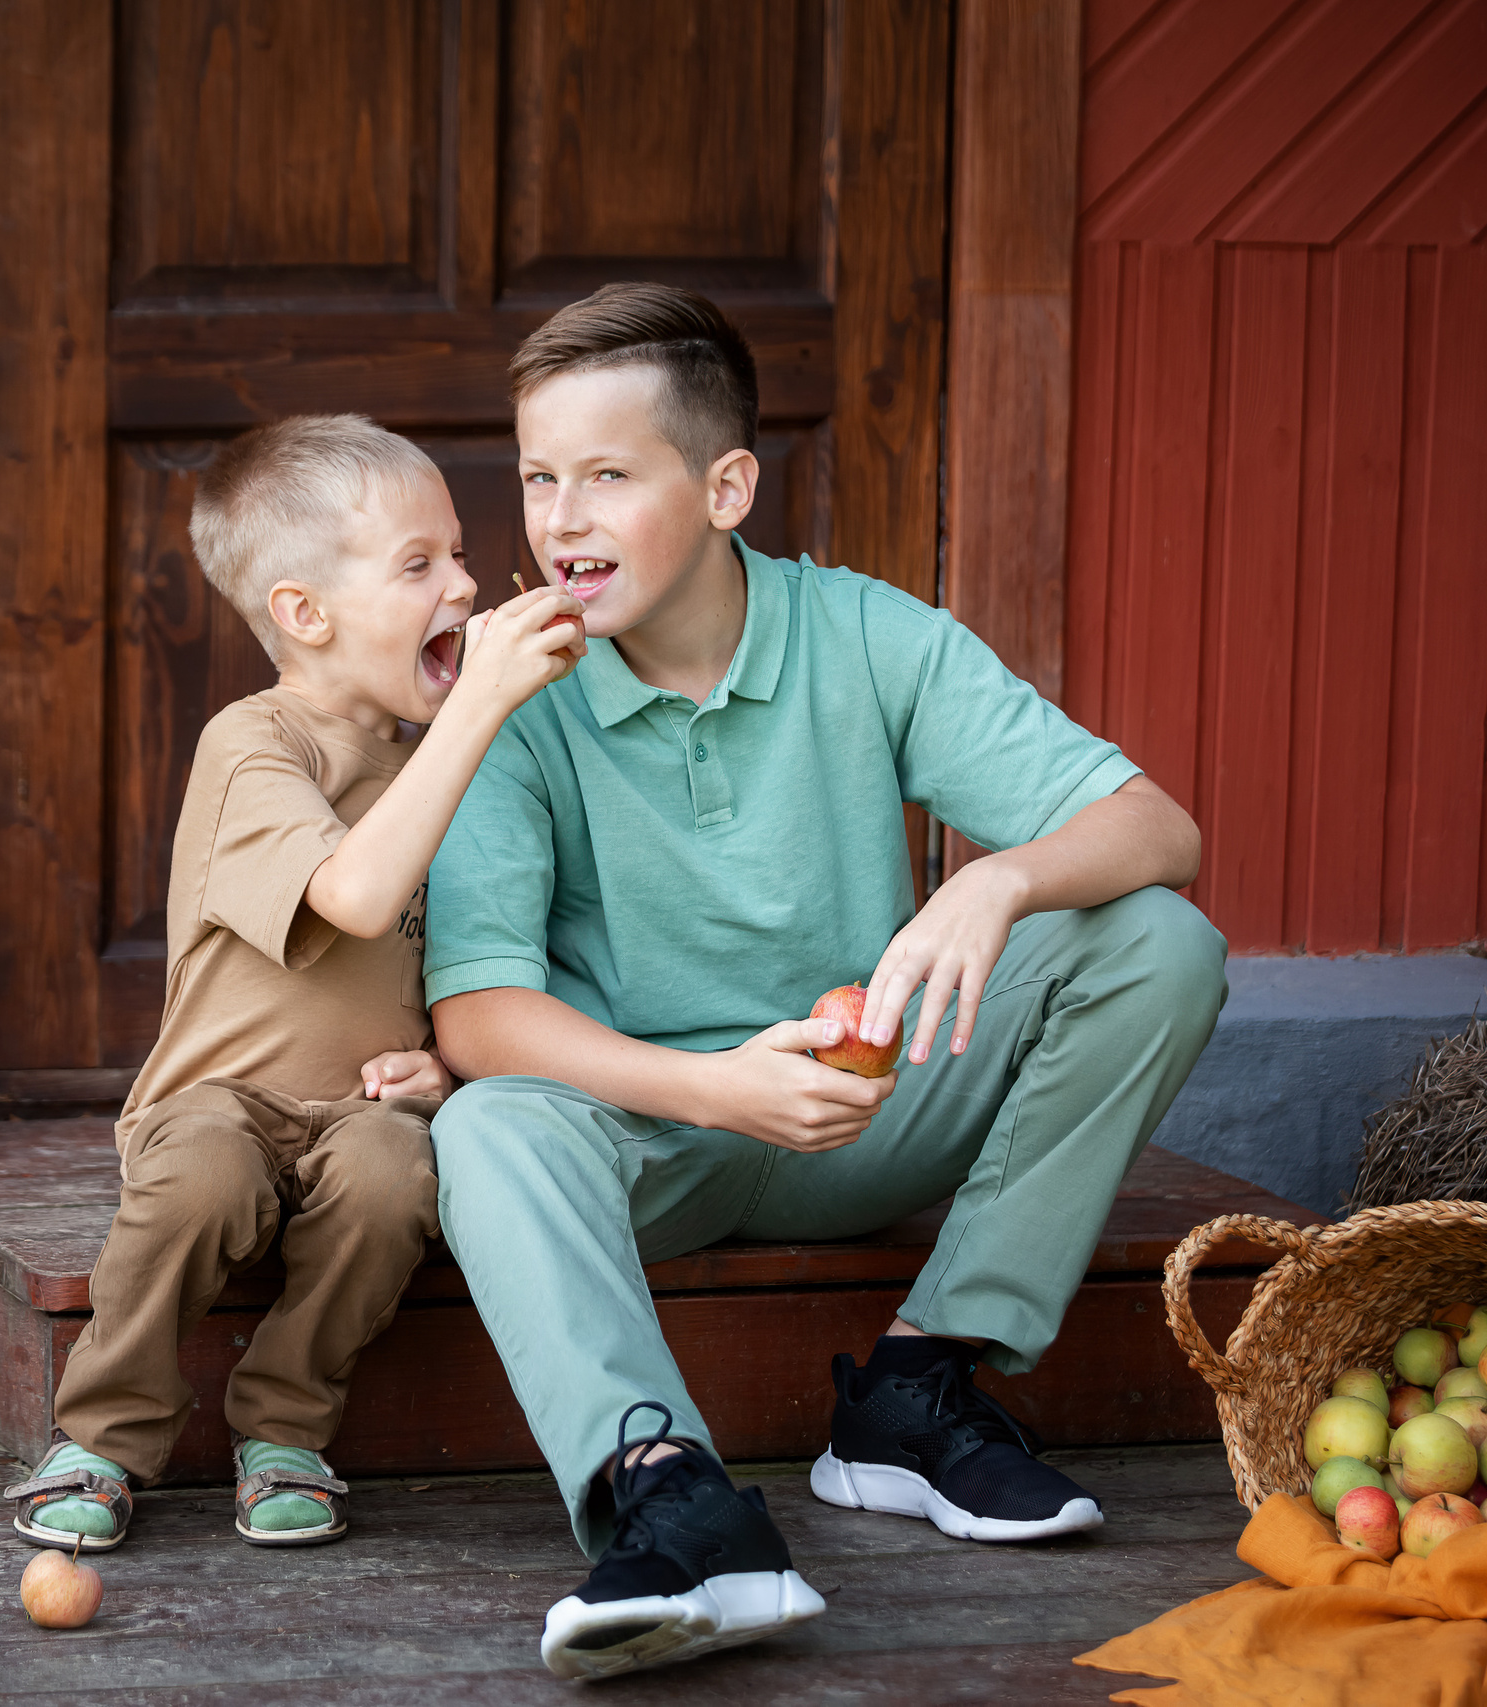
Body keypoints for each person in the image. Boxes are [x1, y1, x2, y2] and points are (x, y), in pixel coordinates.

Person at [421, 284, 1228, 1679]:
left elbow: (1159, 828)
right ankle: (670, 1495)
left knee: (1159, 938)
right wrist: (712, 1088)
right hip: (650, 1138)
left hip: (866, 1108)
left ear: (726, 487)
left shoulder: (865, 634)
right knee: (485, 1121)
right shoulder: (515, 691)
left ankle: (919, 1383)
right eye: (540, 478)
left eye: (608, 475)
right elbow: (476, 1015)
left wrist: (997, 880)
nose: (560, 520)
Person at [4, 414, 585, 1552]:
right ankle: (104, 1434)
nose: (466, 584)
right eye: (418, 565)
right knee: (204, 1178)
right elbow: (356, 897)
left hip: (359, 1111)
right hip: (215, 1103)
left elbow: (470, 946)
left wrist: (444, 1064)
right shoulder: (255, 743)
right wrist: (480, 703)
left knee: (393, 1178)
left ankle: (284, 1428)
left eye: (460, 553)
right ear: (305, 614)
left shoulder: (454, 758)